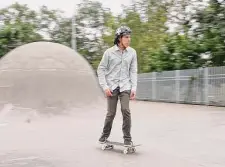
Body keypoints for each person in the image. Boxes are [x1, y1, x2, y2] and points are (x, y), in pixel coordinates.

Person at [97, 25, 138, 146]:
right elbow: (101, 70)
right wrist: (105, 87)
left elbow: (133, 71)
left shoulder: (132, 52)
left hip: (125, 86)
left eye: (129, 37)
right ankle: (104, 137)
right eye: (126, 37)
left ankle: (127, 139)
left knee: (126, 110)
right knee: (111, 113)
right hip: (112, 86)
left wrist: (134, 87)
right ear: (119, 38)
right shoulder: (109, 53)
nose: (129, 39)